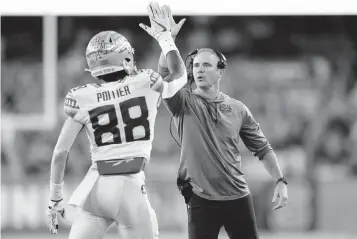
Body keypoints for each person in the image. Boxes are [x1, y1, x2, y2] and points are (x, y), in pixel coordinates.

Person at [46, 3, 187, 239]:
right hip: (129, 185)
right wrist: (166, 39)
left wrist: (55, 199)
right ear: (127, 59)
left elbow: (60, 152)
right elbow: (177, 75)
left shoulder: (83, 97)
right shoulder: (145, 81)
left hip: (95, 188)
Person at [157, 9, 288, 239]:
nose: (199, 70)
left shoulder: (238, 108)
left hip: (238, 197)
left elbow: (263, 148)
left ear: (220, 72)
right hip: (200, 200)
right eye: (195, 66)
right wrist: (167, 38)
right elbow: (167, 72)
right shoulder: (183, 102)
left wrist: (280, 180)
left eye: (206, 65)